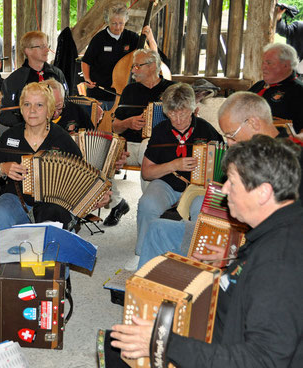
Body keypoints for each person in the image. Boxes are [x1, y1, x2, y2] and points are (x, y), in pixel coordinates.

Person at [110, 135, 303, 368]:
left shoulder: (279, 265)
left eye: (232, 182)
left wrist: (164, 343)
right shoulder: (284, 225)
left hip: (226, 352)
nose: (225, 190)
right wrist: (234, 259)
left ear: (263, 192)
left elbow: (261, 360)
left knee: (118, 352)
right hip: (222, 332)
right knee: (118, 342)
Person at [137, 91, 302, 269]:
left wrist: (234, 254)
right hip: (226, 233)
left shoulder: (289, 161)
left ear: (253, 123)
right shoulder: (251, 152)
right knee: (157, 229)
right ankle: (143, 289)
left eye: (231, 135)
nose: (229, 143)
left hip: (245, 246)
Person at [0, 82, 110, 231]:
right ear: (21, 108)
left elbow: (82, 177)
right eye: (27, 104)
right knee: (0, 216)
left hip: (53, 202)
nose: (32, 110)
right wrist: (2, 168)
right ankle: (3, 253)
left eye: (39, 105)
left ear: (49, 110)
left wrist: (96, 196)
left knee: (50, 226)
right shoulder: (10, 136)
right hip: (17, 198)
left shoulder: (62, 139)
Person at [131, 83, 222, 270]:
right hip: (167, 183)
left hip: (198, 188)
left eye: (183, 113)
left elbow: (222, 166)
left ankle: (196, 260)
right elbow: (147, 173)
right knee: (147, 204)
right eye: (172, 114)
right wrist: (174, 165)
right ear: (166, 112)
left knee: (202, 208)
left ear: (193, 110)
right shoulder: (161, 131)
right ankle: (141, 257)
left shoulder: (206, 130)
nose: (178, 119)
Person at [104, 49, 175, 227]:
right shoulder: (129, 90)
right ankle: (117, 203)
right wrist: (127, 123)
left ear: (152, 66)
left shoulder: (171, 90)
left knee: (146, 144)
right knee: (99, 156)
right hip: (128, 148)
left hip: (160, 151)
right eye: (133, 66)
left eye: (137, 66)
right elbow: (115, 127)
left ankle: (149, 207)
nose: (133, 70)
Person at [81, 3, 158, 107]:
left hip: (124, 95)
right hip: (100, 95)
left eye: (121, 23)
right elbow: (86, 61)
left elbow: (154, 57)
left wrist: (150, 38)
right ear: (108, 22)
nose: (117, 27)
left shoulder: (132, 37)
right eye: (114, 23)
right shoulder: (99, 39)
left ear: (126, 22)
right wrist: (87, 79)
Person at [0, 31, 67, 127]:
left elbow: (67, 101)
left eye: (47, 46)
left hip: (58, 128)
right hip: (27, 130)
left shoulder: (57, 74)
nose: (47, 50)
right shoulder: (14, 80)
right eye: (42, 46)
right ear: (28, 51)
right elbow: (5, 115)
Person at [248, 43, 303, 132]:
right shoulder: (258, 86)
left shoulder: (299, 92)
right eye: (263, 62)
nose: (263, 67)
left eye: (269, 63)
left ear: (286, 65)